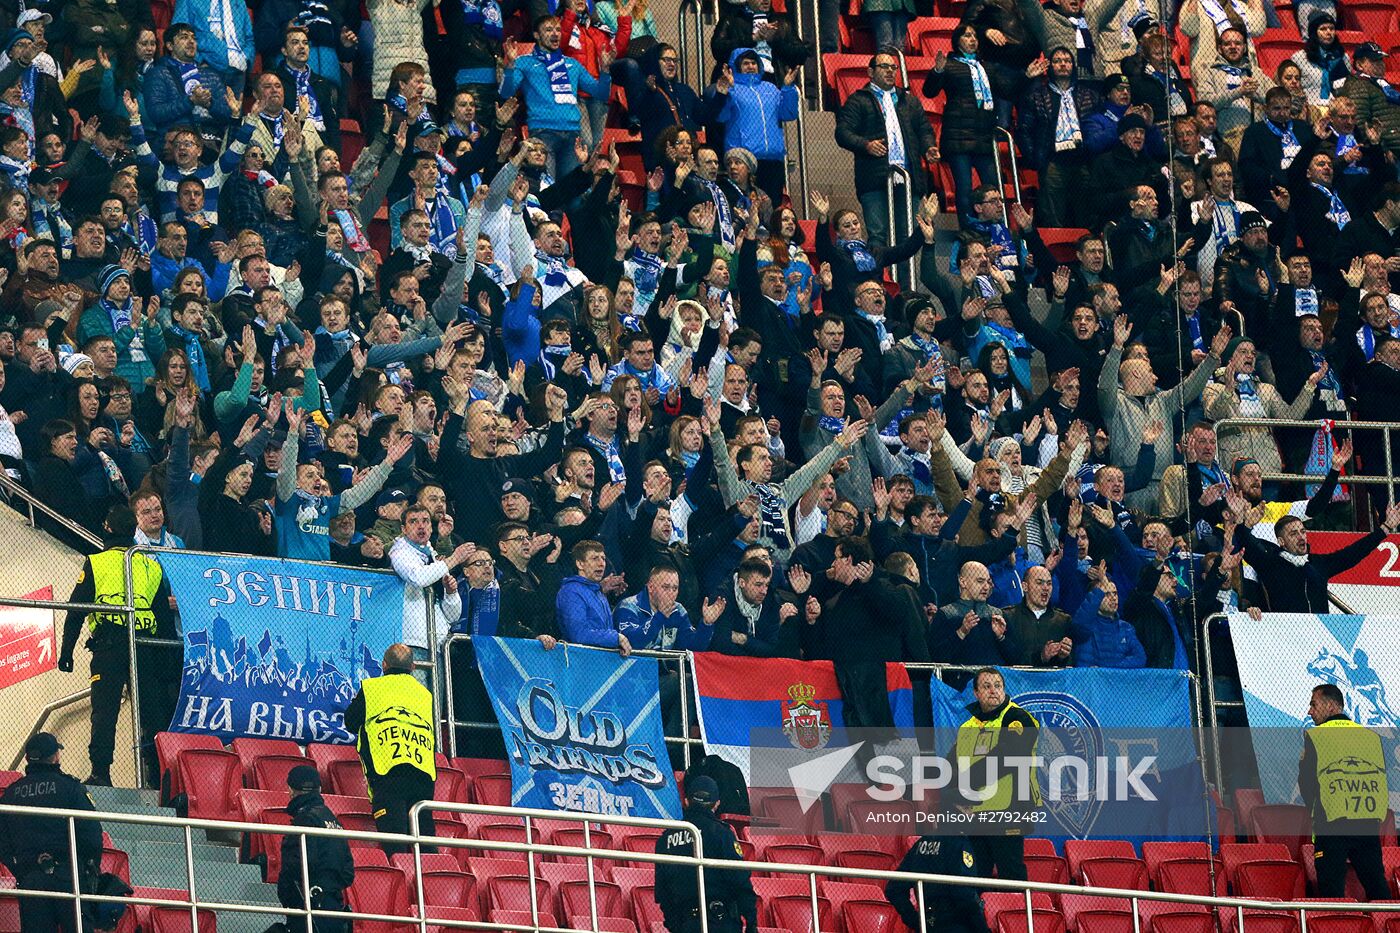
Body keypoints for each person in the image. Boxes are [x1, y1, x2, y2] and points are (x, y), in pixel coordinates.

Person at [57, 505, 179, 787]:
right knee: (152, 713)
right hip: (144, 647)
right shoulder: (149, 564)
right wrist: (167, 659)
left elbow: (76, 611)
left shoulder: (96, 562)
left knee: (104, 712)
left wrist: (66, 652)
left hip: (109, 646)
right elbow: (162, 616)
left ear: (108, 529)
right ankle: (160, 778)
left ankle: (101, 773)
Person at [0, 733, 103, 933]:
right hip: (69, 876)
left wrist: (20, 869)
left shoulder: (11, 794)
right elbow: (91, 835)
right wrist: (88, 868)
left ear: (28, 758)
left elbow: (2, 841)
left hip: (31, 879)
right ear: (55, 756)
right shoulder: (71, 788)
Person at [343, 643, 438, 856]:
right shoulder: (424, 694)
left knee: (395, 849)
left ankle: (403, 887)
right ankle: (429, 887)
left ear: (384, 665)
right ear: (413, 666)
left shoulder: (372, 688)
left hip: (388, 775)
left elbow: (350, 721)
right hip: (423, 777)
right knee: (426, 848)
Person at [1298, 683, 1390, 900]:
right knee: (1378, 889)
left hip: (1331, 825)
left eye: (1314, 704)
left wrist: (1323, 805)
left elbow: (1306, 785)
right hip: (1367, 823)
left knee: (1332, 896)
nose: (1310, 711)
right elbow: (1380, 779)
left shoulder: (1316, 736)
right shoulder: (1371, 737)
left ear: (1331, 706)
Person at [953, 667, 1040, 882]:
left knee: (1011, 876)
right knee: (976, 877)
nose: (993, 691)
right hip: (975, 813)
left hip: (1008, 810)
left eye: (998, 686)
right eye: (987, 686)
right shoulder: (967, 726)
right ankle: (983, 915)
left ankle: (1017, 916)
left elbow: (1007, 757)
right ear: (975, 693)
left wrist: (967, 785)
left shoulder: (1018, 718)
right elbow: (953, 765)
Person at [654, 776, 758, 933]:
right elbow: (739, 880)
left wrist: (674, 925)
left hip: (685, 924)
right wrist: (751, 921)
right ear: (716, 804)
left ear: (686, 801)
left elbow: (662, 892)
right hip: (721, 922)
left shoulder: (665, 839)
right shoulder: (722, 833)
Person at [277, 765, 354, 931]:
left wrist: (287, 895)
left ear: (291, 790)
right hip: (334, 906)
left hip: (308, 904)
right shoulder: (333, 821)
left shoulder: (304, 819)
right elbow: (348, 871)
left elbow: (296, 865)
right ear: (319, 789)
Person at [886, 830, 989, 933]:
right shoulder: (958, 844)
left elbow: (894, 888)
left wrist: (916, 921)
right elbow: (964, 894)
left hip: (929, 922)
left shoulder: (921, 844)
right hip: (956, 922)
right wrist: (982, 929)